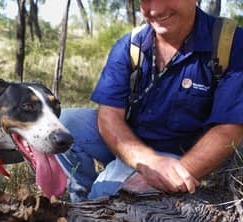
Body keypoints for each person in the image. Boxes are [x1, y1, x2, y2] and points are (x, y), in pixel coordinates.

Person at [55, 0, 243, 202]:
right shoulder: (131, 45)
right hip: (134, 146)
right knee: (65, 123)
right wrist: (149, 162)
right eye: (146, 0)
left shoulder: (231, 44)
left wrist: (172, 175)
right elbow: (109, 115)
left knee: (107, 195)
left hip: (188, 157)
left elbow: (230, 130)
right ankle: (82, 202)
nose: (155, 10)